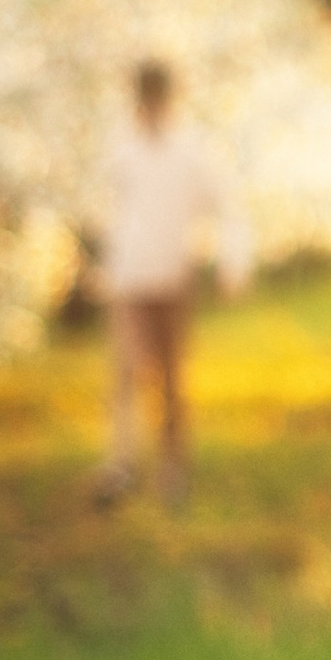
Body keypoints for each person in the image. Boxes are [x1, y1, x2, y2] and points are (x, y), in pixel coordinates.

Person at [96, 61, 247, 504]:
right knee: (126, 370)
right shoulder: (120, 147)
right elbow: (106, 206)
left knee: (171, 377)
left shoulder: (192, 149)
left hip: (172, 275)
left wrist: (231, 264)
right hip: (130, 275)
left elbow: (225, 205)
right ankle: (120, 464)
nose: (150, 106)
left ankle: (172, 467)